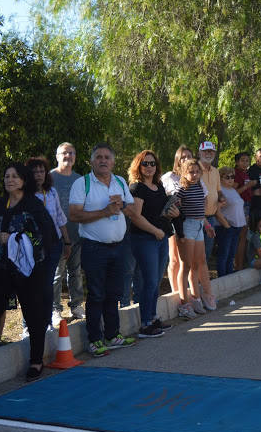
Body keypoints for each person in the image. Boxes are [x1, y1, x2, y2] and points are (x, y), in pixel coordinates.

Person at [0, 163, 56, 381]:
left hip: (29, 270)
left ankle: (36, 361)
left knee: (34, 314)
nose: (10, 180)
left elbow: (47, 237)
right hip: (0, 268)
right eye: (7, 176)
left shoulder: (33, 205)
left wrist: (16, 238)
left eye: (15, 176)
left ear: (24, 180)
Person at [69, 143, 137, 358]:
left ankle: (113, 335)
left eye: (107, 157)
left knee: (114, 292)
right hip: (94, 247)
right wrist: (105, 212)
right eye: (99, 157)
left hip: (119, 246)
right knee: (97, 294)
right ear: (91, 161)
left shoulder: (120, 181)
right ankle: (95, 340)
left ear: (113, 162)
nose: (103, 160)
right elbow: (74, 215)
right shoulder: (82, 183)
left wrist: (122, 206)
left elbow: (133, 210)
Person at [128, 150, 178, 338]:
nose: (149, 167)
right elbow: (135, 217)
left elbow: (164, 211)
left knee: (156, 281)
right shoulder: (137, 188)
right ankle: (145, 324)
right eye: (145, 163)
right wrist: (155, 231)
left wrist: (175, 212)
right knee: (148, 281)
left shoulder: (158, 186)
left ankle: (153, 317)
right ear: (138, 166)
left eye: (152, 163)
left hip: (160, 238)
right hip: (144, 239)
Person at [26, 156, 71, 330]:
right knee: (32, 286)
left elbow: (60, 217)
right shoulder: (25, 194)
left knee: (47, 284)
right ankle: (27, 326)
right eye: (34, 171)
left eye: (41, 171)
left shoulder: (51, 191)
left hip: (54, 244)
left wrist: (67, 242)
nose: (38, 174)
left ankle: (45, 323)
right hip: (33, 246)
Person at [176, 158, 218, 317]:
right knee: (186, 265)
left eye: (196, 172)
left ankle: (196, 297)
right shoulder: (181, 190)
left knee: (199, 262)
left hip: (200, 226)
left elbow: (202, 210)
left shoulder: (200, 186)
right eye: (190, 172)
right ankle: (184, 302)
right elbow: (174, 209)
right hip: (187, 227)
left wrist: (207, 226)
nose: (194, 175)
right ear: (184, 173)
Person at [50, 142, 85, 322]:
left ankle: (77, 306)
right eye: (64, 153)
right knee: (57, 274)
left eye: (71, 153)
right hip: (56, 237)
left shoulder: (80, 179)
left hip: (77, 233)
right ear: (57, 156)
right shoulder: (50, 178)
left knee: (76, 272)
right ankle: (55, 310)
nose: (68, 156)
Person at [161, 146, 193, 295]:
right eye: (183, 157)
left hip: (191, 222)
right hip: (174, 222)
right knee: (174, 259)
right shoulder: (169, 177)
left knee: (187, 260)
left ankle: (185, 290)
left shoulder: (194, 176)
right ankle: (176, 292)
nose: (186, 159)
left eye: (189, 156)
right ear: (177, 160)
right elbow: (160, 197)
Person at [216, 167, 247, 277]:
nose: (231, 179)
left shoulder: (233, 190)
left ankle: (229, 275)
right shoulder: (220, 192)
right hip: (226, 227)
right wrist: (227, 225)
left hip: (237, 227)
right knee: (224, 253)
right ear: (220, 178)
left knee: (231, 253)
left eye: (232, 177)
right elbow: (217, 210)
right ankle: (222, 276)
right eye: (227, 177)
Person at [198, 140, 226, 261]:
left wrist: (221, 198)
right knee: (196, 252)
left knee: (207, 252)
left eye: (211, 151)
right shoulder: (194, 169)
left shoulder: (215, 171)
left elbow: (218, 190)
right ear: (200, 153)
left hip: (211, 217)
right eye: (205, 151)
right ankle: (194, 280)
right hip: (197, 217)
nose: (208, 154)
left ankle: (201, 278)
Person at [233, 152, 255, 270]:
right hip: (241, 206)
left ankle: (240, 263)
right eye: (242, 160)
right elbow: (233, 192)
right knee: (241, 237)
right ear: (237, 162)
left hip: (247, 204)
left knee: (243, 236)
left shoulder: (245, 174)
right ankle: (238, 265)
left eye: (247, 160)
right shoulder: (236, 174)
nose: (245, 163)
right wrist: (247, 186)